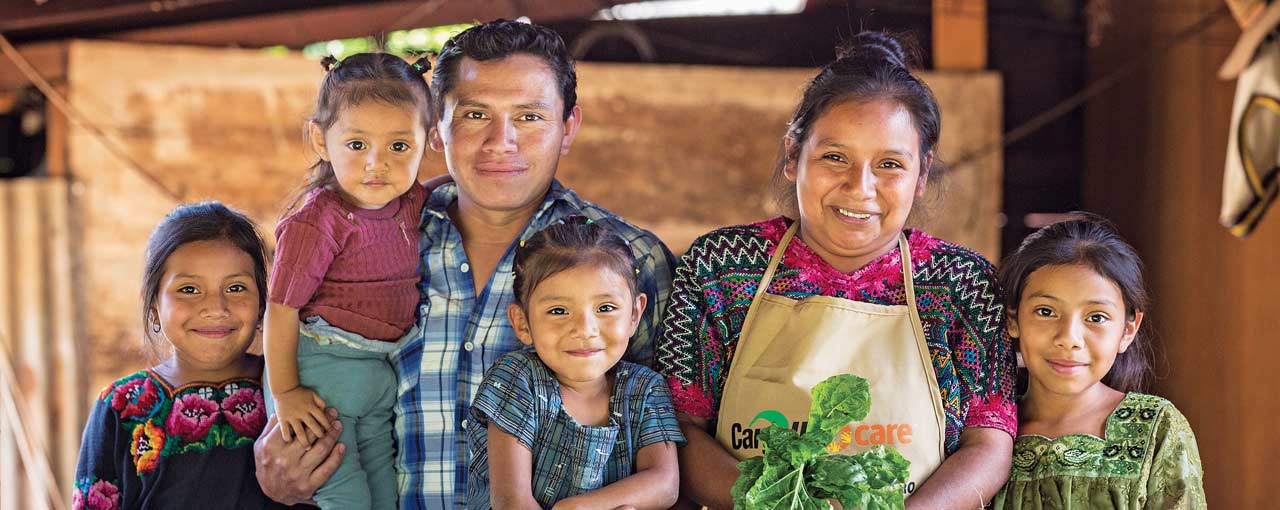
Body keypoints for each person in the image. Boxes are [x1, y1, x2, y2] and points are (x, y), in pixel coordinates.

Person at [253, 20, 677, 510]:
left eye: (530, 117)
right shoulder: (378, 238)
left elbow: (668, 450)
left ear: (568, 127)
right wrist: (280, 475)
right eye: (475, 114)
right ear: (438, 129)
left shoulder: (629, 261)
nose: (501, 141)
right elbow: (302, 359)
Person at [656, 32, 1017, 509]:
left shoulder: (961, 284)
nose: (859, 188)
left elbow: (990, 441)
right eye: (834, 157)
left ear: (923, 174)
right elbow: (679, 430)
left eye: (889, 164)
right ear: (792, 156)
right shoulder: (719, 269)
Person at [261, 52, 433, 510]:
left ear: (427, 141)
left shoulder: (413, 202)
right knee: (348, 498)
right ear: (320, 138)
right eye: (357, 145)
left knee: (384, 495)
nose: (377, 163)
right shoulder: (319, 221)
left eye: (400, 147)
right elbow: (280, 310)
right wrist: (286, 393)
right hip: (320, 380)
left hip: (379, 376)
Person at [73, 202, 280, 509]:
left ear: (263, 301)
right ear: (153, 303)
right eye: (189, 289)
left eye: (236, 287)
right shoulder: (121, 408)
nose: (216, 308)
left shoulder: (288, 389)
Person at [991, 214, 1205, 509]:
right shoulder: (986, 432)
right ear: (1013, 319)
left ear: (1128, 330)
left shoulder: (1156, 430)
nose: (1069, 338)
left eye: (1096, 317)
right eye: (1045, 311)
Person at [467, 218, 684, 510]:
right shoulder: (517, 380)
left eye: (605, 308)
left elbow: (664, 483)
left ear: (634, 314)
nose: (584, 329)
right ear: (522, 323)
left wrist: (580, 507)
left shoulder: (645, 389)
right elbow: (510, 500)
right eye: (559, 311)